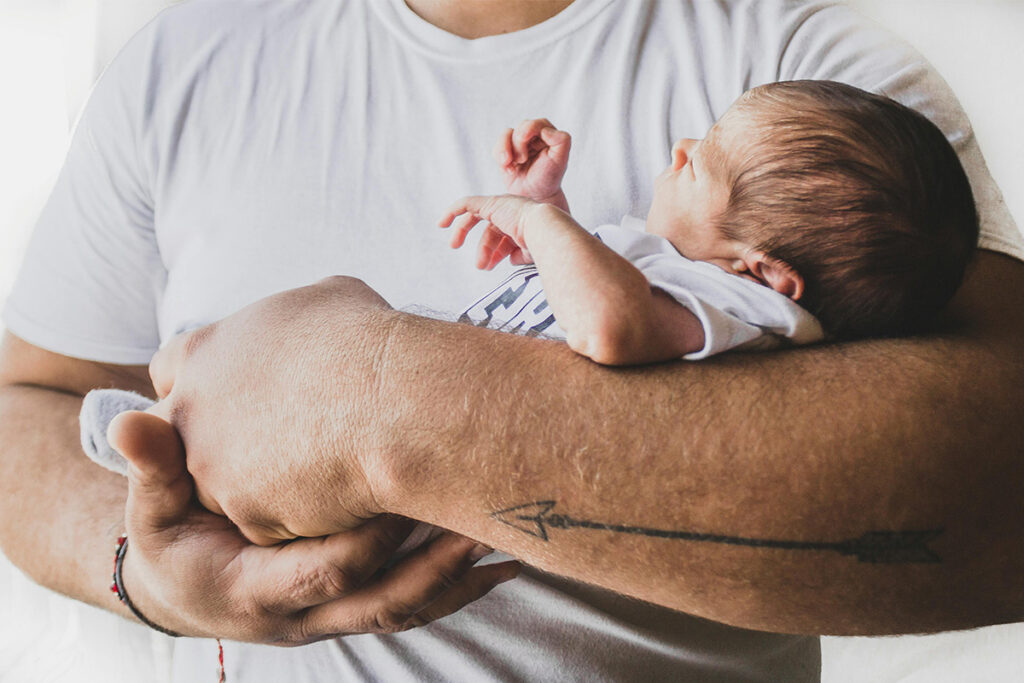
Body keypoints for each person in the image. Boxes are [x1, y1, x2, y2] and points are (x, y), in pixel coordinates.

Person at [1, 1, 1022, 681]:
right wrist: (146, 575)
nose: (684, 153)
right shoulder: (183, 61)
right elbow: (24, 402)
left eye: (699, 162)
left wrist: (373, 396)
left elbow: (999, 475)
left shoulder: (821, 99)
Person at [441, 80, 977, 364]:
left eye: (699, 165)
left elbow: (607, 326)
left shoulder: (745, 310)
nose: (681, 147)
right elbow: (577, 293)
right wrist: (548, 205)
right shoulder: (687, 278)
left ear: (760, 272)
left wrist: (536, 222)